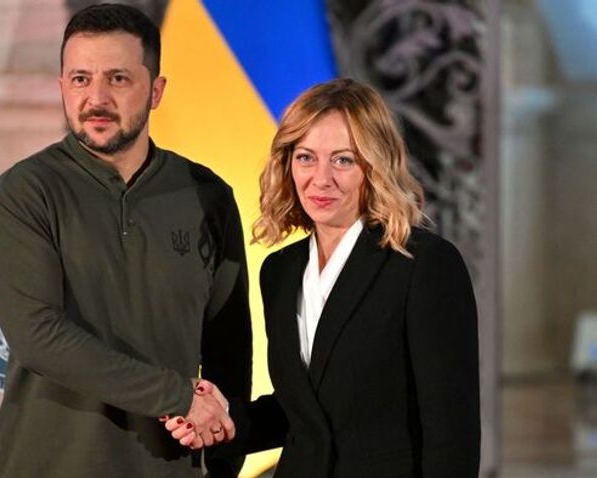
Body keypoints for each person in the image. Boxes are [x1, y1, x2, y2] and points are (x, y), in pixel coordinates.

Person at [0, 3, 251, 477]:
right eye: (80, 79)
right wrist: (177, 397)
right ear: (62, 87)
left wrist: (224, 462)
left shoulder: (207, 195)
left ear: (156, 91)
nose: (96, 98)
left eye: (118, 79)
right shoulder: (25, 192)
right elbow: (38, 335)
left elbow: (229, 348)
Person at [166, 78, 480, 477]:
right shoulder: (280, 271)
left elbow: (452, 433)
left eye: (343, 160)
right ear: (287, 163)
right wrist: (224, 419)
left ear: (375, 166)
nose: (321, 178)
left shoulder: (425, 265)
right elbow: (303, 412)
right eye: (306, 157)